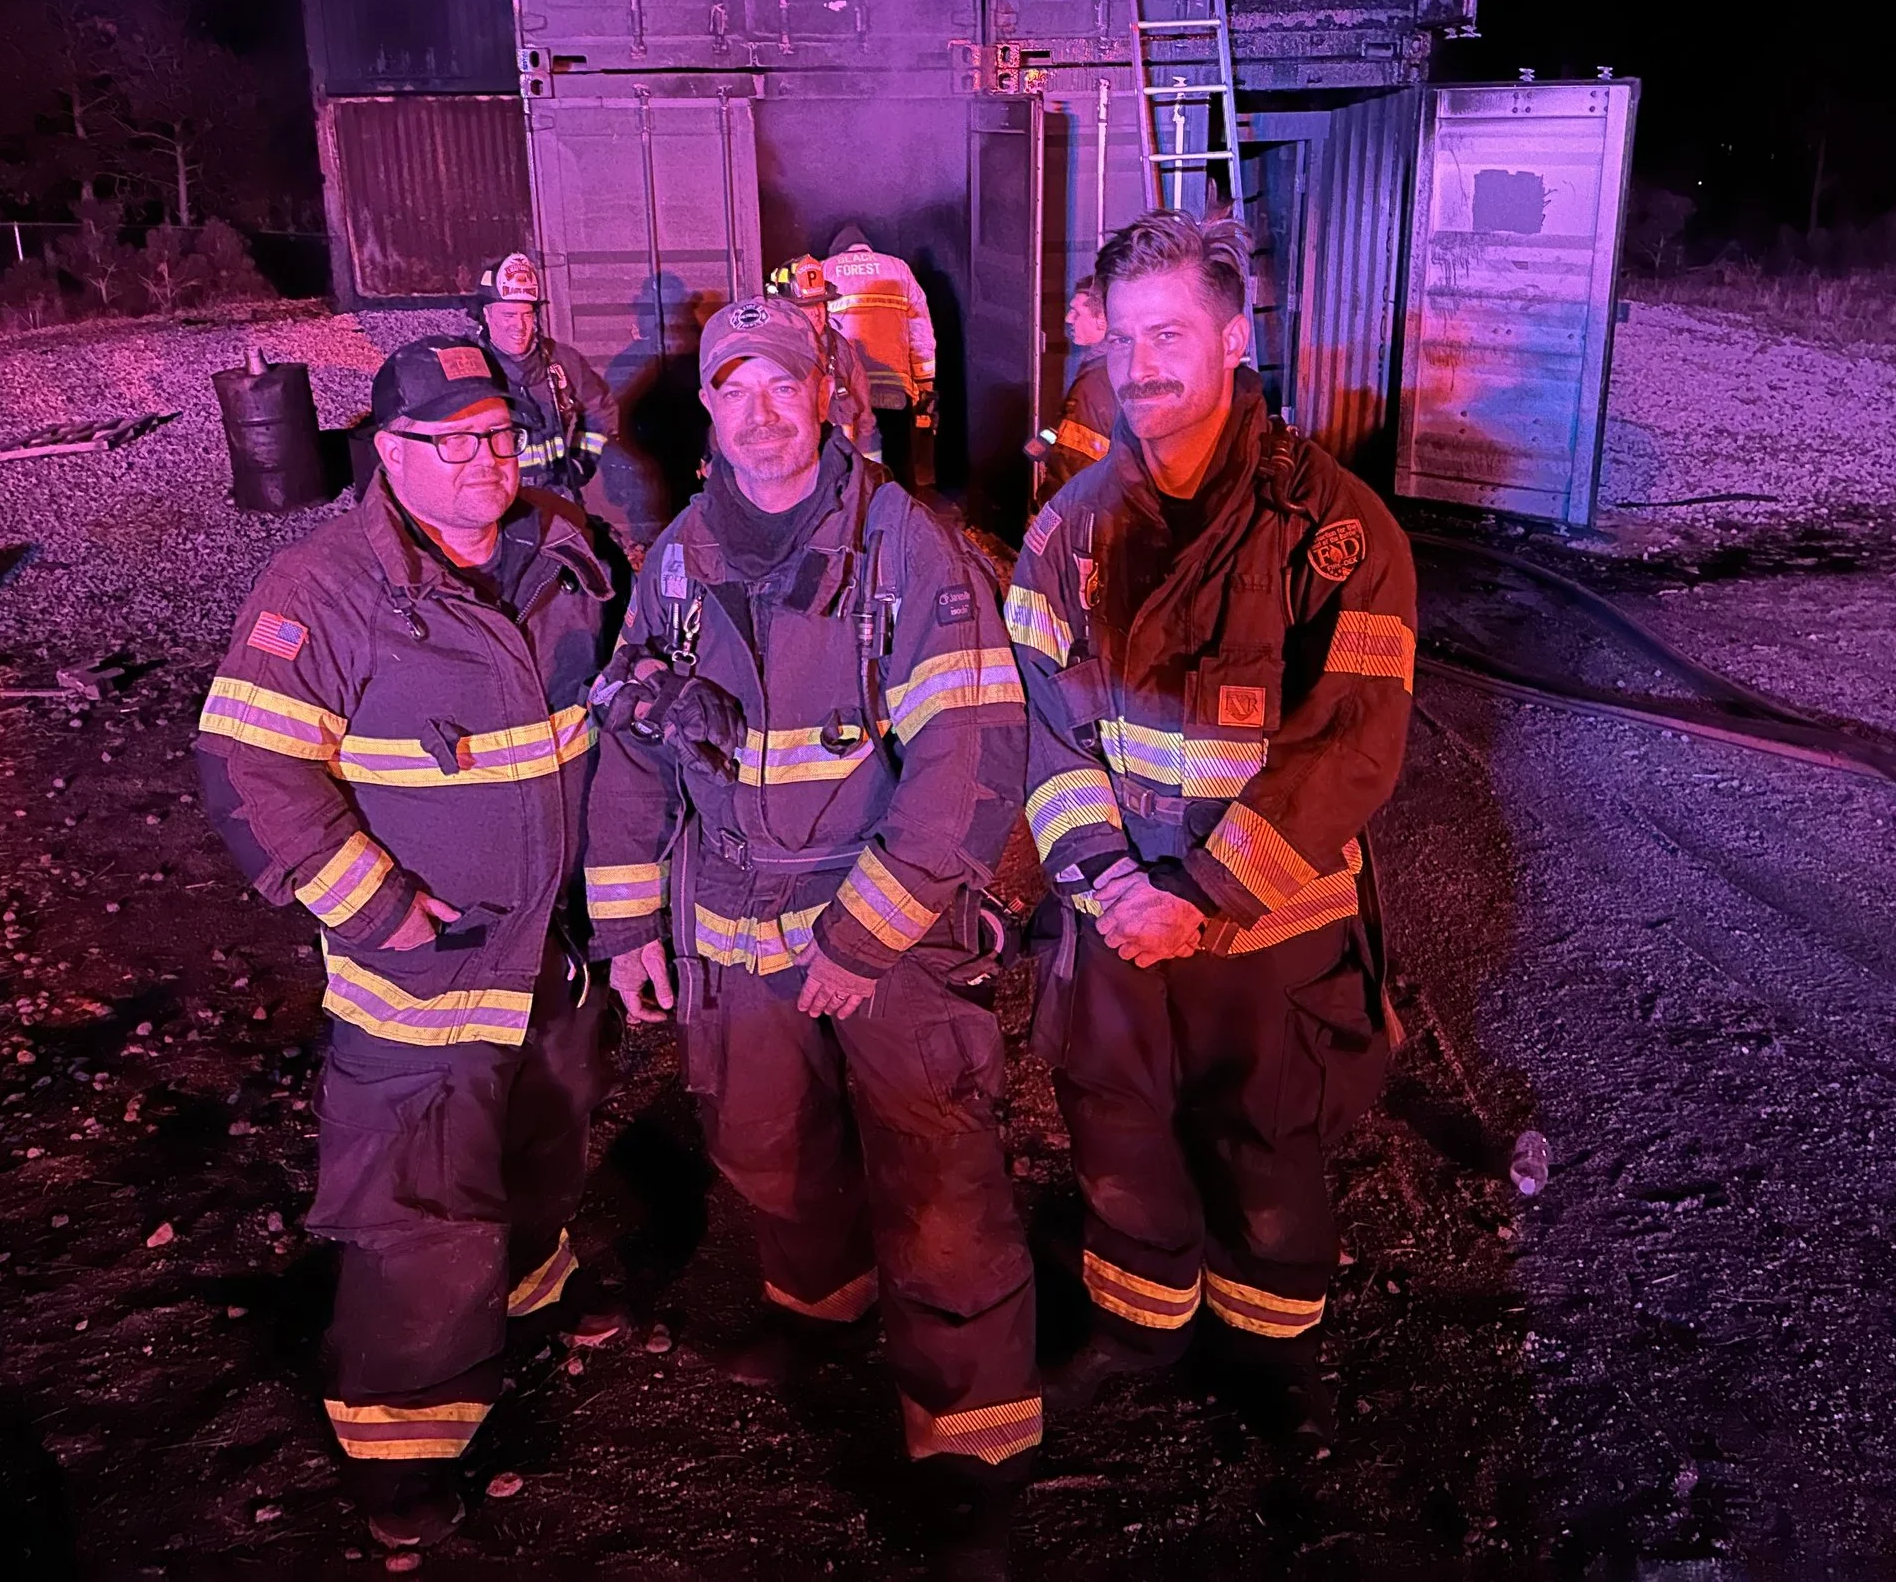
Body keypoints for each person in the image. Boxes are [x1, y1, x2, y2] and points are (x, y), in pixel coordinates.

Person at [582, 295, 1037, 1574]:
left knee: (936, 1179)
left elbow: (967, 757)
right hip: (731, 921)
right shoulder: (678, 561)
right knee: (763, 1144)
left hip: (885, 922)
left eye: (783, 384)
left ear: (827, 394)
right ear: (708, 412)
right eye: (735, 390)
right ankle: (822, 1309)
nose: (761, 413)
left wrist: (865, 936)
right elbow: (635, 748)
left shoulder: (907, 549)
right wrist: (626, 923)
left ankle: (972, 1454)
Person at [195, 334, 621, 1554]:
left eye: (499, 433)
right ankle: (400, 1454)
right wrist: (375, 909)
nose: (488, 458)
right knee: (417, 1209)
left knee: (544, 1137)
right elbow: (246, 762)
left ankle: (530, 1289)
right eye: (454, 440)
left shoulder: (562, 547)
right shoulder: (324, 589)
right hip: (425, 973)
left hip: (552, 951)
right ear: (390, 451)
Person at [1003, 210, 1416, 1459]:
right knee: (1117, 1128)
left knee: (1266, 1143)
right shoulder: (1068, 531)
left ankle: (1271, 1352)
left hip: (1263, 924)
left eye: (1171, 335)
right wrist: (1105, 879)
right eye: (1124, 339)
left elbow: (1351, 746)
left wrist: (1198, 894)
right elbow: (1044, 731)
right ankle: (1139, 1330)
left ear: (1235, 340)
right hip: (1118, 917)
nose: (1141, 366)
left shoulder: (1335, 530)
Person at [474, 249, 618, 499]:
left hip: (556, 497)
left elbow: (601, 408)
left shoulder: (562, 361)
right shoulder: (470, 366)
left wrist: (581, 462)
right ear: (487, 314)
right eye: (508, 315)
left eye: (527, 315)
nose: (519, 326)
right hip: (496, 501)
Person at [820, 224, 939, 490]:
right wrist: (925, 384)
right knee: (899, 455)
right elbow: (921, 332)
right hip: (894, 383)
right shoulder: (898, 269)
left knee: (847, 457)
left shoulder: (824, 269)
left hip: (845, 387)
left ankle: (855, 507)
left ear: (838, 251)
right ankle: (901, 508)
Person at [770, 253, 882, 463]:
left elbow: (862, 403)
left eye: (820, 304)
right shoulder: (770, 352)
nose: (816, 312)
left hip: (838, 458)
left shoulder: (838, 347)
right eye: (805, 306)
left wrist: (865, 461)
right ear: (785, 310)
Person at [1027, 277, 1115, 504]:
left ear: (1102, 319)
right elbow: (1074, 429)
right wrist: (1047, 439)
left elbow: (1075, 464)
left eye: (1077, 312)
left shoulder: (1096, 384)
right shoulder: (1108, 366)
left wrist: (1045, 508)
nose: (1068, 319)